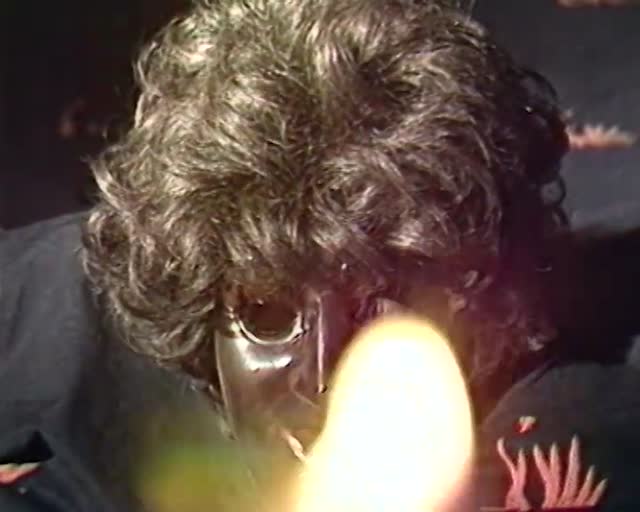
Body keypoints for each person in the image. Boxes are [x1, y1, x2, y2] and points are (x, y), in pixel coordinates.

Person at [1, 0, 569, 510]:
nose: (318, 381)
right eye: (268, 313)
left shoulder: (583, 414)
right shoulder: (36, 335)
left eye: (377, 314)